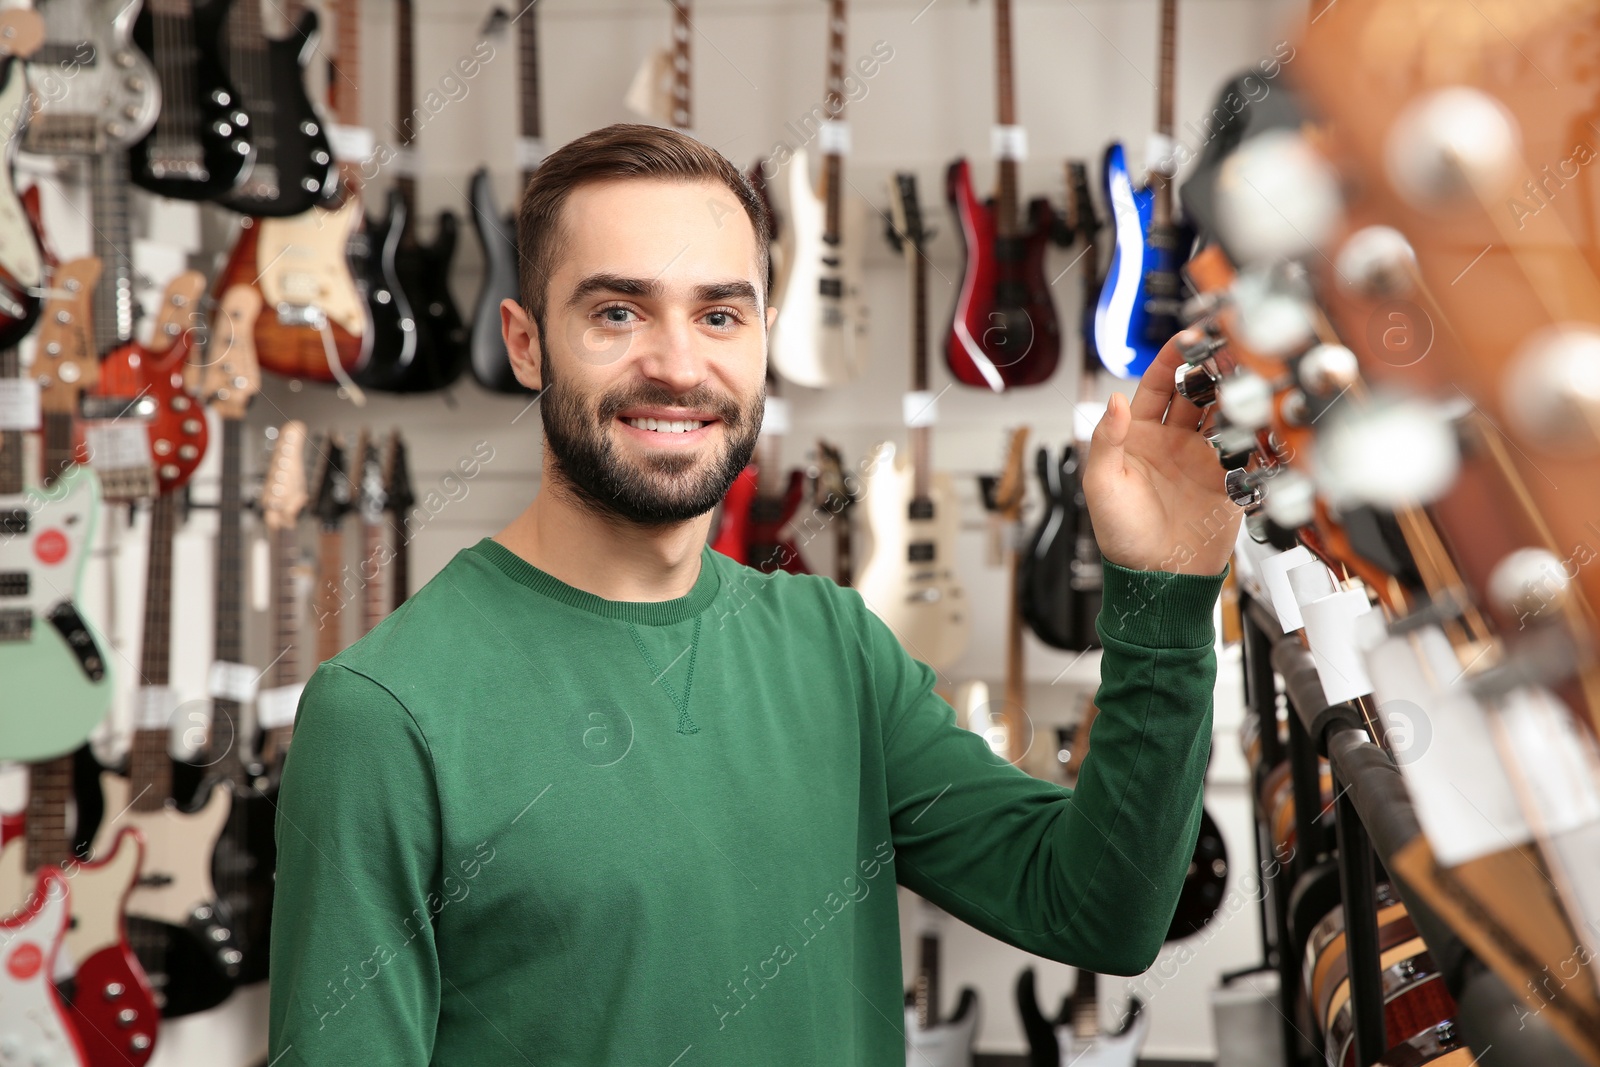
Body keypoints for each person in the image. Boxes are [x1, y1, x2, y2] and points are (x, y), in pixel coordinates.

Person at [268, 123, 1241, 1065]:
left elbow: (1099, 910)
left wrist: (1162, 598)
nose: (679, 364)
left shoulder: (832, 648)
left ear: (761, 336)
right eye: (618, 312)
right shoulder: (384, 713)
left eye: (718, 313)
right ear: (524, 343)